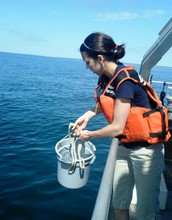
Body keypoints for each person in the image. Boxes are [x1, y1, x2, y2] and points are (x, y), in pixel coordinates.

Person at [73, 32, 168, 220]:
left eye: (87, 62)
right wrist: (89, 113)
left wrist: (89, 135)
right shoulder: (107, 78)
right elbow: (108, 102)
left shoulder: (124, 81)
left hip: (146, 153)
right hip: (125, 148)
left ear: (100, 58)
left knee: (145, 211)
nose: (87, 67)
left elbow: (117, 127)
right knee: (119, 202)